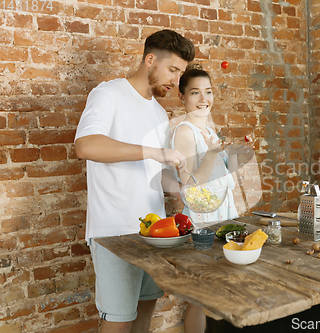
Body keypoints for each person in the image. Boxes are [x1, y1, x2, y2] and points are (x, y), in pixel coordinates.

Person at [74, 29, 195, 333]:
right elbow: (85, 146)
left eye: (181, 74)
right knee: (119, 322)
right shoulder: (109, 94)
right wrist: (154, 151)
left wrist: (183, 190)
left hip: (154, 233)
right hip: (115, 234)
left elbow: (155, 176)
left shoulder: (156, 112)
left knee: (143, 318)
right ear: (150, 59)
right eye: (172, 70)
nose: (176, 81)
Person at [172, 65, 253, 333]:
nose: (203, 98)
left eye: (208, 91)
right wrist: (211, 154)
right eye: (195, 92)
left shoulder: (210, 127)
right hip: (202, 221)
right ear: (182, 97)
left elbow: (226, 177)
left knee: (226, 288)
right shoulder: (184, 132)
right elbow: (190, 186)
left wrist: (239, 153)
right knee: (201, 295)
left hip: (224, 215)